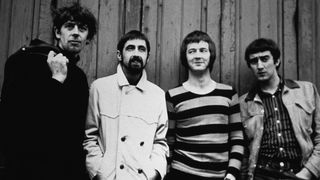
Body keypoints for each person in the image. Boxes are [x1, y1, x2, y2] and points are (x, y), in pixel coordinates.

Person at [0, 3, 97, 180]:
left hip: (66, 171)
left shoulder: (79, 77)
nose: (75, 32)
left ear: (87, 38)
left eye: (82, 29)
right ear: (57, 32)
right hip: (28, 168)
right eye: (69, 26)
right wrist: (56, 79)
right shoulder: (25, 61)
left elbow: (74, 133)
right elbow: (16, 119)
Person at [83, 30, 169, 180]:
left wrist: (154, 173)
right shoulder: (100, 88)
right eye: (130, 48)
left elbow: (160, 141)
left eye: (141, 49)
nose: (136, 53)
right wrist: (98, 172)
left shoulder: (157, 94)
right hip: (110, 176)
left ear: (147, 57)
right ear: (119, 55)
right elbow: (90, 137)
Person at [165, 30, 244, 180]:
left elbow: (237, 137)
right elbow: (169, 141)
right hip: (182, 173)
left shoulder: (228, 94)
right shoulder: (173, 96)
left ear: (211, 55)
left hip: (221, 176)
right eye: (192, 51)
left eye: (203, 50)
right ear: (185, 57)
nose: (197, 55)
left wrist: (232, 174)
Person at [240, 38, 320, 180]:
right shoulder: (244, 103)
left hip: (299, 172)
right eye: (254, 61)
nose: (259, 66)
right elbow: (243, 150)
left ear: (276, 61)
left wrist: (307, 173)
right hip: (262, 174)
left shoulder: (306, 90)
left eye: (264, 59)